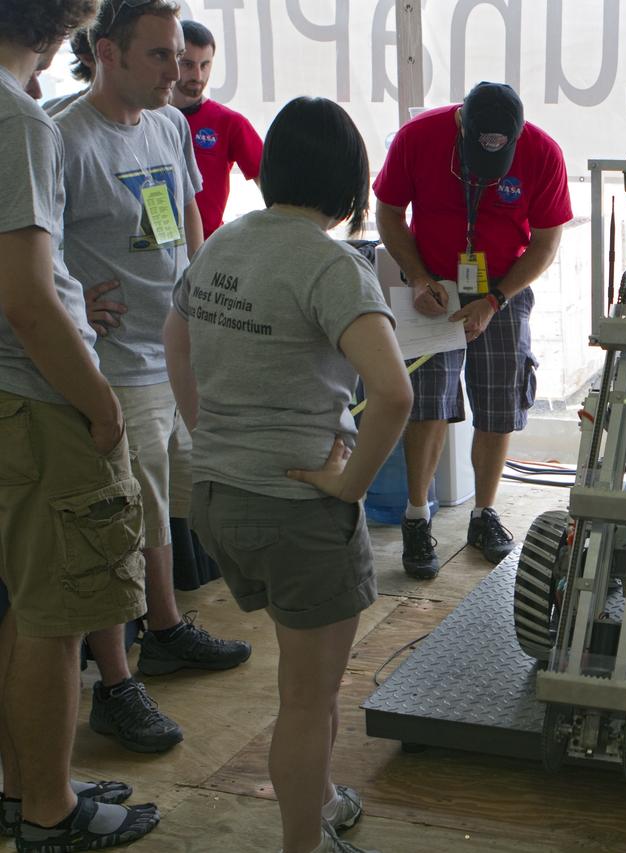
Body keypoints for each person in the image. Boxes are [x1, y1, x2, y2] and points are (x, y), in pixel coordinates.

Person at [167, 95, 411, 853]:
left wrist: (209, 430)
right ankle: (304, 843)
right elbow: (396, 394)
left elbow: (176, 337)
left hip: (217, 497)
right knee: (308, 698)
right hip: (298, 506)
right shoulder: (331, 264)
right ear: (350, 183)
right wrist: (349, 486)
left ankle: (323, 797)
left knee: (304, 682)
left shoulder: (224, 242)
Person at [55, 0, 249, 755]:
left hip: (169, 348)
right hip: (110, 364)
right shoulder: (63, 137)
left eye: (180, 56)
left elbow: (189, 217)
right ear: (108, 53)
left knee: (164, 500)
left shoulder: (167, 124)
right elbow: (30, 244)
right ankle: (116, 680)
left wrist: (197, 300)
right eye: (161, 57)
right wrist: (74, 294)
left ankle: (164, 629)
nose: (180, 72)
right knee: (117, 519)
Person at [0, 0, 160, 848]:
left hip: (16, 395)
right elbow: (27, 298)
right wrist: (98, 402)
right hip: (40, 395)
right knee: (60, 614)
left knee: (28, 603)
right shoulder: (20, 118)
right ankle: (50, 813)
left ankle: (28, 783)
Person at [374, 81, 573, 580]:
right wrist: (416, 277)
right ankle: (418, 516)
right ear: (461, 124)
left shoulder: (544, 154)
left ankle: (484, 515)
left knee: (499, 402)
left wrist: (496, 299)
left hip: (503, 288)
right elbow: (388, 212)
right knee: (428, 401)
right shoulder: (417, 137)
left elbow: (547, 242)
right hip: (433, 288)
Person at [171, 19, 262, 239]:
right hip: (156, 248)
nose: (198, 76)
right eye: (188, 64)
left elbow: (274, 185)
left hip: (209, 246)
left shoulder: (229, 123)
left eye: (205, 65)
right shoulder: (145, 117)